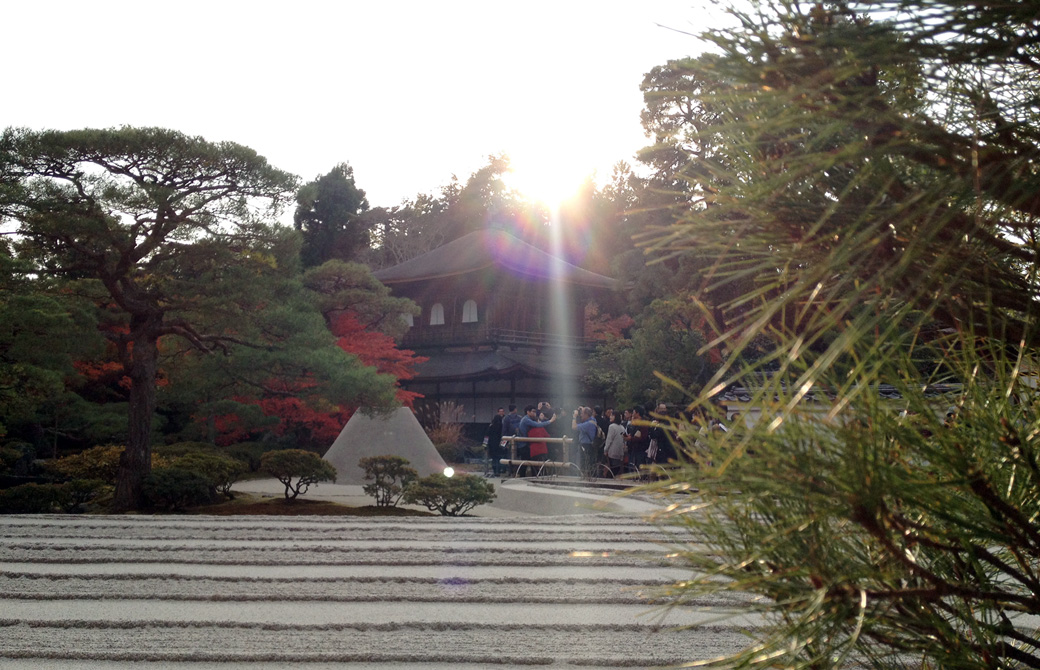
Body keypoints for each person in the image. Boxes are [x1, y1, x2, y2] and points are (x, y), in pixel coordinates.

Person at [572, 406, 598, 475]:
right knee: (588, 462)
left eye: (582, 413)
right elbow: (589, 414)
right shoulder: (593, 420)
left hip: (585, 445)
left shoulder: (588, 424)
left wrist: (574, 416)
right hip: (589, 445)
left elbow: (574, 427)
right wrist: (583, 408)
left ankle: (585, 477)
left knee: (584, 463)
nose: (580, 415)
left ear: (586, 414)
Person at [603, 410, 627, 475]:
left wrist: (605, 449)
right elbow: (625, 438)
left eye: (612, 415)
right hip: (620, 452)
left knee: (611, 470)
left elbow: (609, 440)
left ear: (615, 417)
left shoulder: (612, 427)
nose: (610, 417)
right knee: (616, 469)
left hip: (612, 451)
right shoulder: (622, 427)